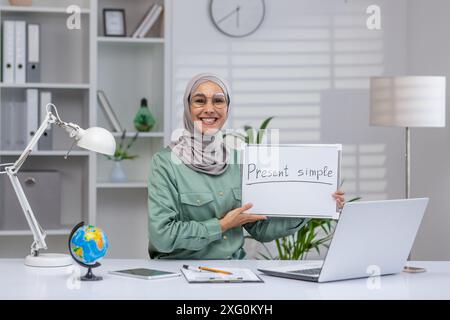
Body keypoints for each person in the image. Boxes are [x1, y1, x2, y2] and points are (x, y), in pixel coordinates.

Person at [147, 73, 345, 259]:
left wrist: (315, 203)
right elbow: (162, 237)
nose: (209, 109)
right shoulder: (165, 163)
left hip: (236, 271)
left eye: (218, 100)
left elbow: (261, 229)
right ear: (187, 107)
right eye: (200, 100)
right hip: (181, 272)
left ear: (227, 107)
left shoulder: (238, 159)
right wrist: (222, 225)